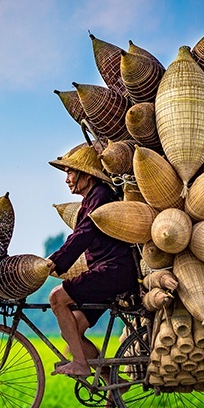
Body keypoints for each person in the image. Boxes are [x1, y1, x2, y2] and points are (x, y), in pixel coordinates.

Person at [46, 143, 139, 390]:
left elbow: (83, 235)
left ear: (86, 174)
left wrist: (56, 261)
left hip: (114, 271)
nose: (67, 180)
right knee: (72, 330)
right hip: (105, 272)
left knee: (57, 298)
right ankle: (113, 379)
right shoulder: (92, 198)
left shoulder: (100, 196)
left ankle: (80, 363)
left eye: (70, 173)